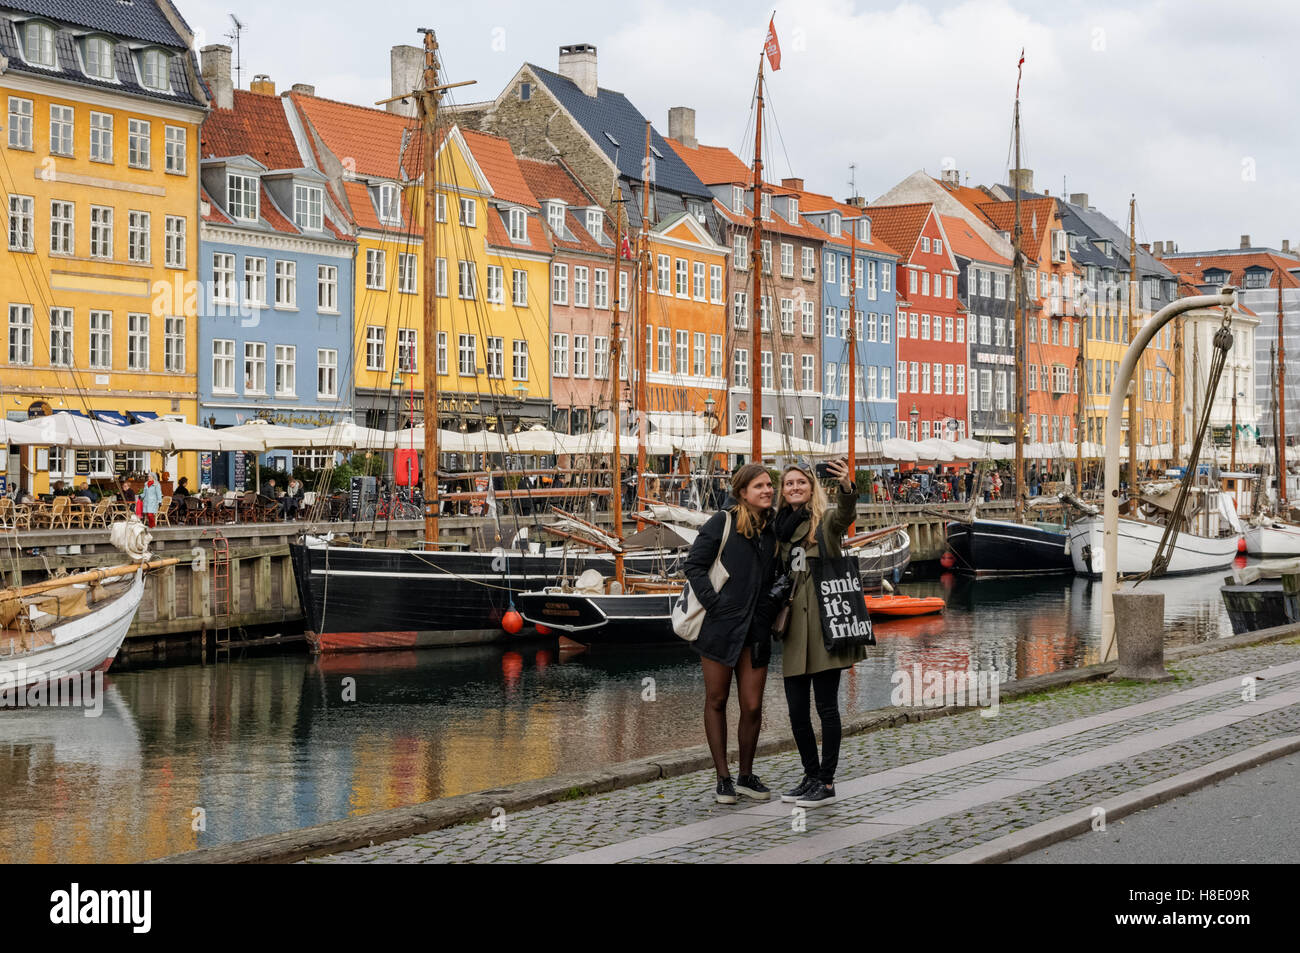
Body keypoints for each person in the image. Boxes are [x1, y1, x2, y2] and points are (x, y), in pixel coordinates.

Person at [683, 462, 778, 805]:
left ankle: (746, 775)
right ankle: (723, 777)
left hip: (755, 629)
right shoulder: (721, 523)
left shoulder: (773, 529)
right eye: (760, 486)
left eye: (769, 485)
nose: (767, 490)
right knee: (717, 700)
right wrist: (714, 604)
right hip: (720, 628)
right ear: (742, 493)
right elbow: (693, 565)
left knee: (752, 706)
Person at [772, 458, 864, 808]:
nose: (794, 487)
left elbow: (845, 515)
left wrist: (846, 486)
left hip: (826, 624)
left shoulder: (823, 523)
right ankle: (810, 775)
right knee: (797, 711)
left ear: (812, 489)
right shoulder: (780, 529)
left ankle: (826, 783)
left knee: (826, 707)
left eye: (801, 483)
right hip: (793, 628)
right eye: (789, 483)